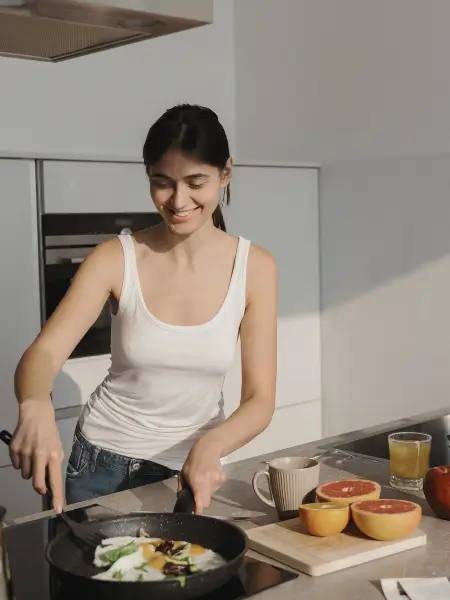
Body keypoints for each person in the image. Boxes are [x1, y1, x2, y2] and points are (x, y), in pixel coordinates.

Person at [9, 104, 278, 515]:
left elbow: (259, 399)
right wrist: (35, 406)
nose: (178, 200)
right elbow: (42, 355)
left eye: (195, 182)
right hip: (100, 465)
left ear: (226, 173)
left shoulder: (255, 267)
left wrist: (212, 443)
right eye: (162, 183)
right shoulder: (115, 258)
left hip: (191, 472)